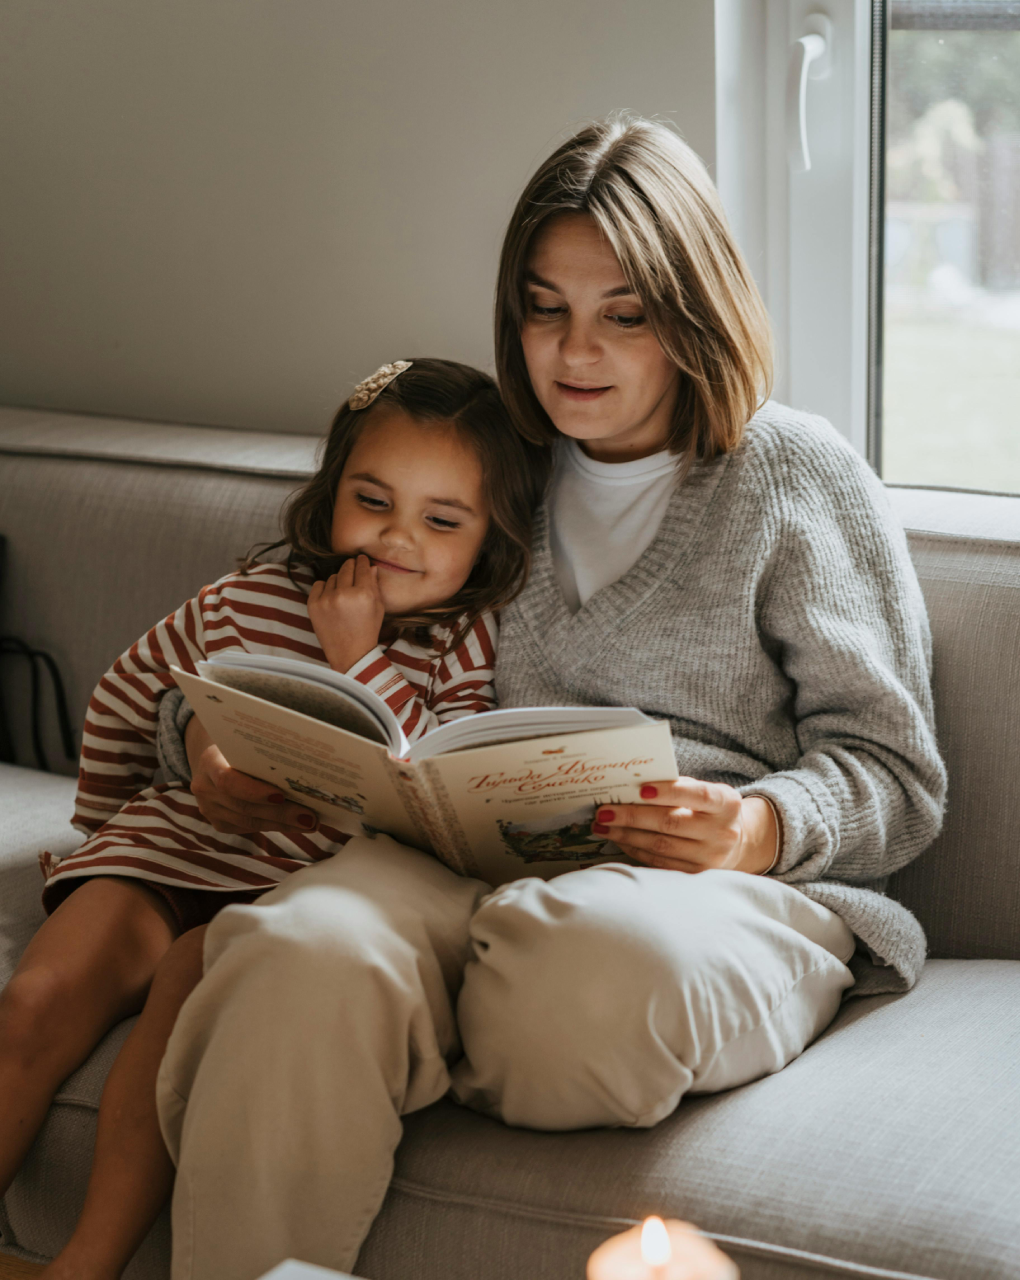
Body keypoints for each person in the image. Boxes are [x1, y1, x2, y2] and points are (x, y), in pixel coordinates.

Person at [44, 115, 947, 1280]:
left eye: (623, 312)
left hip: (707, 888)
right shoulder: (487, 460)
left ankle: (435, 1022)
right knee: (290, 953)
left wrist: (764, 822)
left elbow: (897, 770)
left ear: (693, 309)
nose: (575, 351)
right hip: (450, 864)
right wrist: (209, 742)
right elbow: (274, 611)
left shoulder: (794, 475)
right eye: (543, 306)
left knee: (585, 966)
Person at [0, 358, 547, 1280]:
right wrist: (107, 828)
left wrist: (358, 656)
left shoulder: (468, 639)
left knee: (181, 1027)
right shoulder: (247, 594)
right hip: (172, 849)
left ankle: (81, 1267)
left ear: (489, 535)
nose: (395, 538)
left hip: (291, 894)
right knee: (36, 1000)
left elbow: (440, 791)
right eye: (372, 499)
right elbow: (130, 693)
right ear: (333, 490)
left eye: (441, 520)